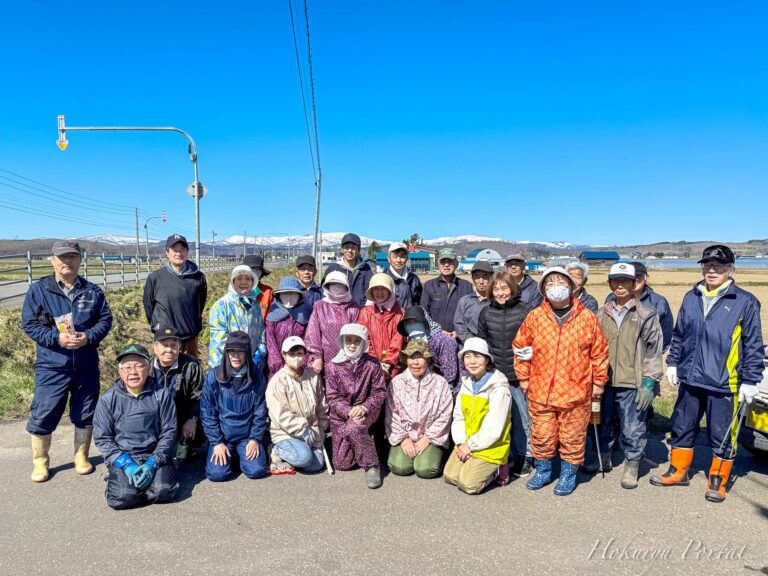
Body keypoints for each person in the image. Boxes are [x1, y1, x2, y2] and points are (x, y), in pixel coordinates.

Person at [651, 245, 764, 503]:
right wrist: (673, 363)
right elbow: (679, 334)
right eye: (707, 265)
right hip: (690, 378)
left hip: (723, 382)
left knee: (721, 432)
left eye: (719, 266)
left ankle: (717, 479)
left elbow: (753, 345)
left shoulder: (744, 301)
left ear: (730, 270)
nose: (712, 270)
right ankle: (678, 471)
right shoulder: (692, 296)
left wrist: (750, 380)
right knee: (682, 425)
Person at [21, 240, 113, 482]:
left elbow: (105, 320)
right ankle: (40, 461)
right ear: (52, 260)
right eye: (62, 257)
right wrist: (56, 338)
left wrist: (88, 337)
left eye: (72, 256)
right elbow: (29, 324)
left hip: (85, 364)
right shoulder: (39, 290)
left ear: (80, 260)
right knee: (44, 412)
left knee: (85, 411)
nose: (67, 261)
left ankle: (81, 457)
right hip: (52, 365)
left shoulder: (92, 291)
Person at [514, 266, 609, 496]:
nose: (556, 287)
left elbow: (599, 353)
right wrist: (524, 377)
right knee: (542, 434)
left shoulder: (586, 318)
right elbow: (521, 348)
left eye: (561, 283)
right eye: (550, 283)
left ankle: (568, 475)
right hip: (541, 389)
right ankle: (543, 471)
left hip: (576, 390)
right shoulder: (535, 317)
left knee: (572, 436)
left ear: (571, 287)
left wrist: (598, 383)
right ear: (543, 290)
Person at [589, 263, 663, 489]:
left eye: (625, 281)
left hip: (633, 382)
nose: (620, 285)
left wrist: (649, 382)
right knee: (602, 423)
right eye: (616, 280)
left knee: (633, 427)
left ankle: (632, 464)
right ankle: (602, 457)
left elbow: (654, 350)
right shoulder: (599, 314)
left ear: (634, 284)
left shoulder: (646, 314)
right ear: (609, 283)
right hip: (603, 381)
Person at [93, 344, 178, 510]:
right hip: (125, 456)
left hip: (154, 455)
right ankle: (118, 477)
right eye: (127, 367)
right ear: (120, 371)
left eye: (139, 366)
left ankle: (149, 481)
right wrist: (126, 464)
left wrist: (153, 463)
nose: (133, 372)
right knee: (122, 498)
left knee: (164, 491)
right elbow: (102, 438)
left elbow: (169, 431)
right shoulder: (108, 399)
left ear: (148, 369)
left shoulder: (161, 394)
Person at [477, 271, 533, 477]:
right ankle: (505, 454)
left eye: (504, 288)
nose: (500, 293)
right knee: (498, 417)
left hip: (519, 375)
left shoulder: (525, 310)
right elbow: (482, 341)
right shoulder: (486, 312)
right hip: (496, 374)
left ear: (512, 289)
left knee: (522, 419)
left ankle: (526, 455)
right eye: (496, 289)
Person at [444, 338, 511, 495]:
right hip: (466, 442)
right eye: (467, 356)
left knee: (468, 485)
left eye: (477, 356)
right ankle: (474, 464)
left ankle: (499, 468)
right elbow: (459, 416)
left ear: (487, 359)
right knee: (450, 476)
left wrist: (471, 446)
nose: (472, 361)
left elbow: (494, 428)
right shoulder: (466, 383)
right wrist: (461, 442)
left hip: (491, 446)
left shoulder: (499, 388)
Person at [325, 324, 387, 489]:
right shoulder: (332, 366)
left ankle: (372, 465)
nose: (352, 345)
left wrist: (365, 407)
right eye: (349, 340)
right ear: (343, 341)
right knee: (342, 464)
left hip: (367, 411)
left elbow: (379, 392)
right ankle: (361, 440)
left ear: (363, 343)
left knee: (354, 428)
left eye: (357, 341)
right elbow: (332, 396)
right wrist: (349, 411)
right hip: (341, 415)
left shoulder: (372, 364)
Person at [201, 331, 269, 482]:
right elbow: (207, 412)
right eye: (232, 352)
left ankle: (242, 454)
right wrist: (217, 442)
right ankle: (223, 452)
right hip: (223, 437)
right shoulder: (214, 376)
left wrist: (255, 438)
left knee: (257, 470)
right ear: (226, 352)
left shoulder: (256, 375)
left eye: (240, 352)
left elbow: (261, 411)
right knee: (217, 474)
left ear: (247, 353)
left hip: (247, 437)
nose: (236, 356)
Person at [386, 340, 453, 479]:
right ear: (406, 360)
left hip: (431, 436)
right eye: (411, 357)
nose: (415, 363)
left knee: (425, 470)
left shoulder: (440, 383)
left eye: (420, 357)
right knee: (399, 467)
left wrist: (427, 438)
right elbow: (392, 414)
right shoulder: (396, 382)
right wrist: (403, 439)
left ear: (428, 360)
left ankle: (438, 457)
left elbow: (445, 415)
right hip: (405, 434)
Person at [266, 336, 329, 474]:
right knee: (304, 458)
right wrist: (302, 428)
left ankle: (297, 455)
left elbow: (322, 406)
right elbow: (280, 415)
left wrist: (321, 427)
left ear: (305, 355)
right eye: (292, 354)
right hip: (285, 433)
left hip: (311, 431)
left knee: (315, 466)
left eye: (300, 353)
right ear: (284, 355)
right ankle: (276, 449)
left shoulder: (313, 376)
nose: (296, 358)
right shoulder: (277, 381)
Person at [143, 234, 207, 357]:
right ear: (167, 253)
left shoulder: (198, 277)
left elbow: (200, 304)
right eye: (175, 250)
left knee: (190, 366)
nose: (179, 253)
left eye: (182, 250)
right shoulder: (155, 277)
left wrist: (193, 322)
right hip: (165, 337)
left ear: (187, 252)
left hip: (190, 336)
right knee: (165, 366)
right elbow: (148, 306)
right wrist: (156, 325)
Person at [151, 326, 206, 457]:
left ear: (180, 346)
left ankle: (188, 449)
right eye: (164, 345)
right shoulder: (146, 367)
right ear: (155, 348)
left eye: (173, 345)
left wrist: (192, 419)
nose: (169, 350)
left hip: (182, 418)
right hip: (154, 420)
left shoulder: (191, 365)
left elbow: (199, 396)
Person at [208, 265, 266, 369]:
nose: (243, 282)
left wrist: (260, 352)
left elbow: (261, 332)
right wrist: (240, 356)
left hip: (250, 363)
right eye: (239, 278)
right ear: (233, 282)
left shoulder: (255, 305)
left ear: (253, 282)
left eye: (247, 279)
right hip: (225, 364)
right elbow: (218, 337)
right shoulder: (221, 305)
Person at [304, 271, 360, 374]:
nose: (337, 288)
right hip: (325, 359)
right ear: (327, 286)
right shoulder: (320, 306)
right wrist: (316, 357)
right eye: (333, 284)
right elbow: (313, 333)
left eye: (340, 284)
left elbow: (357, 334)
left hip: (349, 358)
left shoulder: (354, 307)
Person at [397, 306, 460, 392]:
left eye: (415, 321)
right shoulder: (411, 340)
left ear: (425, 321)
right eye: (408, 323)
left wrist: (441, 391)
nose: (412, 326)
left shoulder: (443, 341)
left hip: (446, 388)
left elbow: (450, 372)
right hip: (425, 386)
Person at [358, 273, 405, 379]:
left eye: (383, 288)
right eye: (376, 289)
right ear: (371, 291)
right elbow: (364, 339)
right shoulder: (365, 313)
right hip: (371, 365)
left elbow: (398, 340)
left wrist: (387, 362)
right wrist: (375, 362)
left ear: (390, 291)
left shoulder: (399, 313)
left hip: (394, 366)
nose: (379, 292)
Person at [420, 247, 473, 336]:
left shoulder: (466, 286)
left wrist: (459, 331)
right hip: (435, 336)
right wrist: (436, 331)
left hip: (460, 337)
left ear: (456, 264)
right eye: (443, 261)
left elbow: (470, 313)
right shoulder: (429, 285)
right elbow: (424, 312)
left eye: (450, 261)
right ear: (438, 265)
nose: (446, 265)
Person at [265, 277, 311, 377]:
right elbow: (270, 342)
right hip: (278, 367)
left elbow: (308, 339)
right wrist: (277, 364)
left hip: (300, 363)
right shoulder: (273, 314)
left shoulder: (305, 314)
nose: (289, 298)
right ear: (279, 295)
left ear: (299, 296)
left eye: (293, 294)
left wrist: (304, 361)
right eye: (285, 294)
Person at [321, 233, 373, 307]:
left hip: (360, 311)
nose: (349, 250)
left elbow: (370, 292)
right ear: (342, 249)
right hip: (337, 311)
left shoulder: (366, 269)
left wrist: (365, 309)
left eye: (353, 248)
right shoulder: (333, 268)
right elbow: (325, 293)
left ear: (358, 250)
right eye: (346, 247)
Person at [453, 261, 493, 344]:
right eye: (477, 276)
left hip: (492, 346)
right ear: (473, 279)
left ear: (492, 277)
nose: (481, 281)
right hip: (469, 345)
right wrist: (472, 342)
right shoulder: (464, 301)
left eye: (485, 276)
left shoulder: (497, 301)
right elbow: (458, 324)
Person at [385, 241, 422, 308]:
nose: (399, 260)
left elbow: (419, 302)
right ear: (388, 259)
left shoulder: (414, 279)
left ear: (407, 258)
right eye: (395, 256)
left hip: (411, 314)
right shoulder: (383, 279)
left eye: (402, 256)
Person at [243, 254, 275, 322]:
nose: (254, 272)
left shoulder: (268, 292)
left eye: (258, 269)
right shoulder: (236, 292)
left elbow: (272, 316)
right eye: (251, 269)